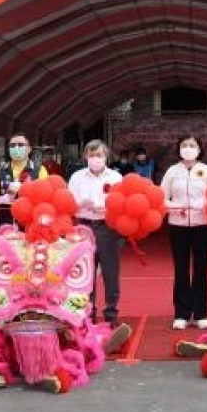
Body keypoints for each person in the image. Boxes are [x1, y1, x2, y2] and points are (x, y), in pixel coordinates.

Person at [160, 135, 207, 331]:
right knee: (181, 268)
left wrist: (203, 206)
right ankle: (182, 313)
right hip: (178, 225)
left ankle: (201, 313)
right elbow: (161, 198)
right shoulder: (172, 172)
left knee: (201, 268)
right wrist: (177, 206)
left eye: (192, 145)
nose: (188, 148)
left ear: (199, 149)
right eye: (184, 145)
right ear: (179, 149)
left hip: (202, 225)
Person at [68, 139, 125, 325]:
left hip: (108, 228)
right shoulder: (77, 177)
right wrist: (80, 204)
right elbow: (68, 203)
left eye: (99, 155)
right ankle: (87, 311)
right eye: (91, 155)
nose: (95, 159)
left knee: (110, 271)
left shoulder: (116, 177)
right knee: (86, 272)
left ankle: (111, 312)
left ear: (106, 156)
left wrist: (106, 208)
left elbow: (123, 204)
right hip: (84, 226)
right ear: (85, 156)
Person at [0, 133, 47, 229]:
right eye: (12, 145)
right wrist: (1, 199)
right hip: (6, 223)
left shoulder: (39, 170)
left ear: (29, 149)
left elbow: (46, 197)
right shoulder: (0, 171)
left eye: (21, 145)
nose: (16, 148)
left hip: (30, 224)